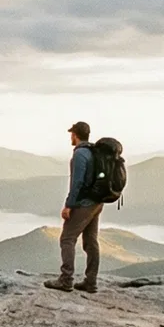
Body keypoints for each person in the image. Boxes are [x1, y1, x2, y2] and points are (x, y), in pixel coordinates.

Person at [46, 120, 100, 293]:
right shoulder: (94, 152)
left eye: (71, 134)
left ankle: (66, 279)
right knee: (91, 241)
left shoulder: (80, 154)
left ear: (75, 135)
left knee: (67, 239)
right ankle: (90, 282)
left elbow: (77, 182)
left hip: (83, 203)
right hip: (97, 202)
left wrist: (69, 205)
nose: (71, 136)